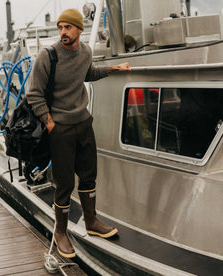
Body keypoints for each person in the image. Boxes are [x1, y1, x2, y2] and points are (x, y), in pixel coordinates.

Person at [26, 8, 131, 259]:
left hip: (84, 123)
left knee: (88, 176)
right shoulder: (47, 56)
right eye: (60, 27)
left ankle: (91, 222)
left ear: (79, 30)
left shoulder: (85, 52)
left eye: (68, 27)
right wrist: (50, 123)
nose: (63, 32)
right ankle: (60, 232)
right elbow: (34, 94)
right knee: (64, 184)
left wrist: (114, 68)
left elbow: (88, 73)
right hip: (60, 128)